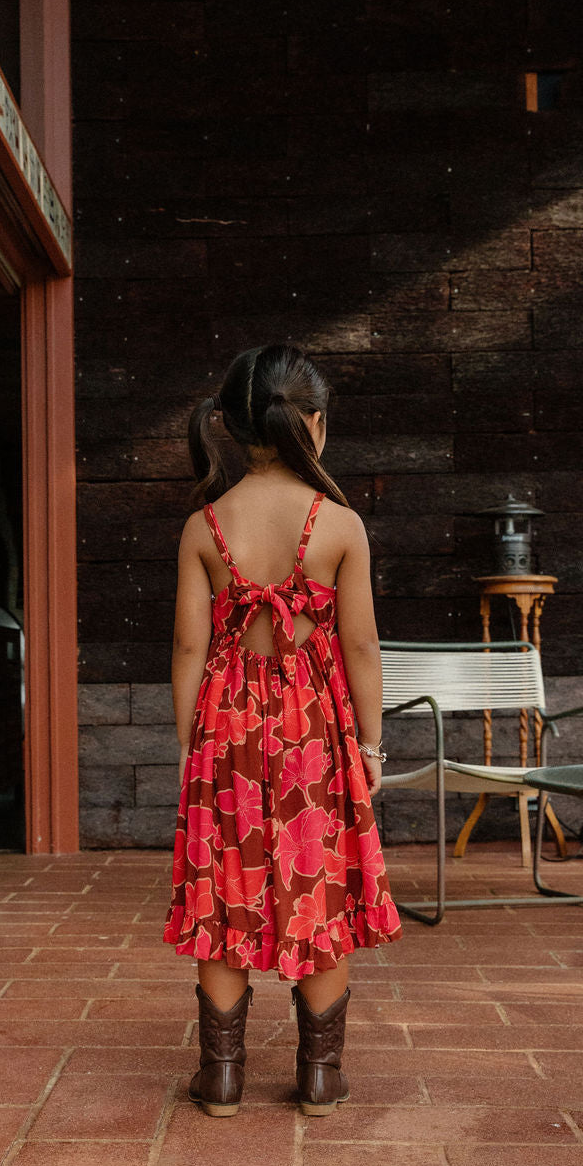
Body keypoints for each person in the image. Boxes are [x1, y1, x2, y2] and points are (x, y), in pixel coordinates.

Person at [163, 344, 401, 1118]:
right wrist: (368, 748)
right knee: (316, 884)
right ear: (317, 427)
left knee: (225, 887)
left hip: (226, 724)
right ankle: (320, 1074)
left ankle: (223, 1075)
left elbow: (188, 649)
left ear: (231, 427)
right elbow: (361, 646)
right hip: (314, 729)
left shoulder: (205, 526)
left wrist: (188, 747)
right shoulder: (339, 525)